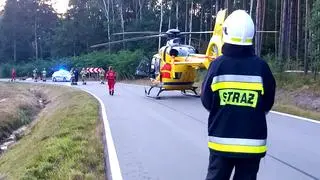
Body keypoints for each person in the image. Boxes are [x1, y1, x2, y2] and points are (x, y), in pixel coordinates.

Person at [201, 10, 276, 180]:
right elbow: (268, 103)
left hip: (221, 141)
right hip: (252, 146)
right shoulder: (261, 68)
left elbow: (206, 101)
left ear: (226, 32)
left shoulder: (217, 66)